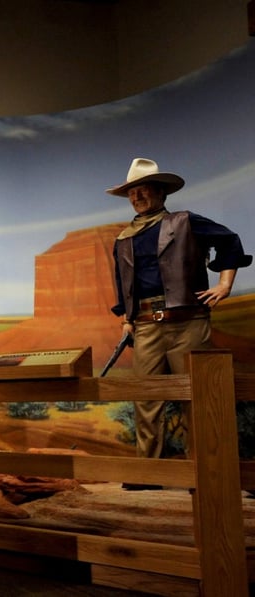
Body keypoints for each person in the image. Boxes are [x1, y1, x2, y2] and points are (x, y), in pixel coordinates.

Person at [107, 157, 251, 489]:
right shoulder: (123, 238)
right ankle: (149, 473)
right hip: (144, 325)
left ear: (160, 191)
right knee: (146, 398)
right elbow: (122, 282)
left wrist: (225, 285)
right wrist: (126, 321)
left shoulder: (185, 222)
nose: (138, 196)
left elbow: (229, 241)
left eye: (144, 189)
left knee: (196, 397)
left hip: (187, 322)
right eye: (132, 191)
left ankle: (204, 472)